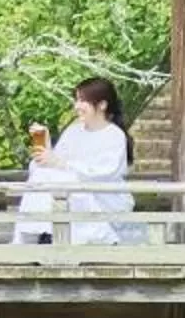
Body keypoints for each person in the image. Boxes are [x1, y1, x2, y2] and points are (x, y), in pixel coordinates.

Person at [16, 77, 136, 245]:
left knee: (66, 182)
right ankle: (39, 233)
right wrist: (46, 149)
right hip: (69, 193)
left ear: (102, 104)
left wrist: (61, 164)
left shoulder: (114, 135)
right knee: (45, 176)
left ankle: (78, 237)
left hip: (102, 196)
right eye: (77, 100)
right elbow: (55, 164)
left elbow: (103, 172)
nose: (77, 106)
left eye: (83, 101)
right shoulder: (73, 132)